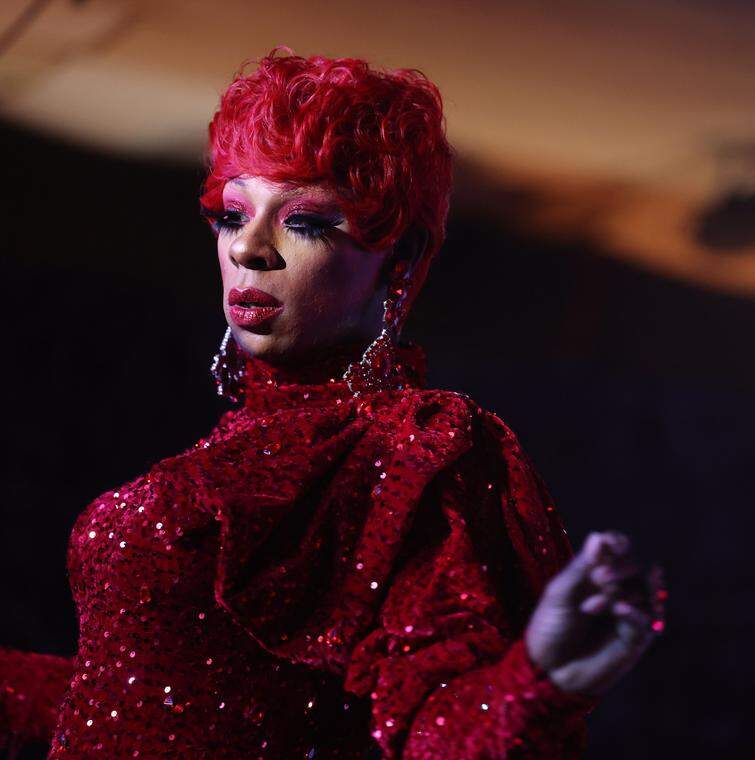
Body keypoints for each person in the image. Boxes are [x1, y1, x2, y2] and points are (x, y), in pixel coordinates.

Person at [0, 48, 666, 758]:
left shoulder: (414, 450)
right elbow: (140, 705)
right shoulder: (239, 442)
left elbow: (433, 729)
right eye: (231, 215)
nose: (250, 249)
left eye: (306, 222)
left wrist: (539, 681)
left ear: (399, 258)